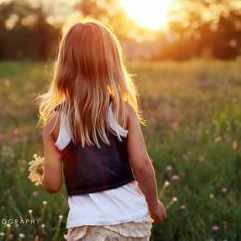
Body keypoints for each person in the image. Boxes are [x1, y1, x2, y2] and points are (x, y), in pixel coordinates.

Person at [37, 20, 166, 240]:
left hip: (88, 227)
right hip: (132, 220)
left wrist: (44, 171)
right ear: (111, 62)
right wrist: (154, 205)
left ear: (65, 63)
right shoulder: (123, 111)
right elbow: (142, 165)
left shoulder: (53, 123)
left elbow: (52, 185)